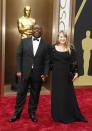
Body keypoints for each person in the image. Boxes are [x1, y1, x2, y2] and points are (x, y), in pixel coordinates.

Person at [9, 24, 50, 122]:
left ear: (42, 31)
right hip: (24, 72)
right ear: (32, 30)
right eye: (35, 28)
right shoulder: (24, 41)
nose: (37, 30)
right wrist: (18, 70)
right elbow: (18, 55)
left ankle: (32, 112)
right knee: (21, 93)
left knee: (35, 94)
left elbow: (47, 60)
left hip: (38, 73)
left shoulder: (46, 44)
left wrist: (45, 73)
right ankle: (17, 113)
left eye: (39, 29)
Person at [50, 31, 87, 123]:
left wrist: (76, 72)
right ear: (58, 38)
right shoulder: (52, 48)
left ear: (66, 38)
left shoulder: (70, 48)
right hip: (56, 75)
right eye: (60, 37)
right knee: (57, 94)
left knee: (67, 94)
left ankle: (68, 114)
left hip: (66, 75)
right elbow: (49, 61)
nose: (62, 38)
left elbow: (74, 61)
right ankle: (57, 115)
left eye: (64, 37)